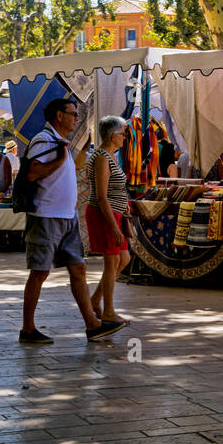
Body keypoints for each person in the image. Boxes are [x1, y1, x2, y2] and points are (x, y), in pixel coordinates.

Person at [20, 97, 126, 344]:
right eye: (73, 114)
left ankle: (92, 324)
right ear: (59, 115)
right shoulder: (43, 141)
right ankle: (27, 329)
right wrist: (59, 159)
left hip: (66, 217)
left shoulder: (60, 142)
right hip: (46, 216)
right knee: (39, 272)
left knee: (78, 268)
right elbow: (33, 172)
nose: (77, 119)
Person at [85, 116, 133, 325]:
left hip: (116, 213)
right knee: (112, 260)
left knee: (123, 259)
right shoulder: (102, 157)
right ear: (113, 135)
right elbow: (102, 196)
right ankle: (108, 311)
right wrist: (113, 226)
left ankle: (96, 299)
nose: (125, 137)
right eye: (123, 134)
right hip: (105, 214)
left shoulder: (111, 156)